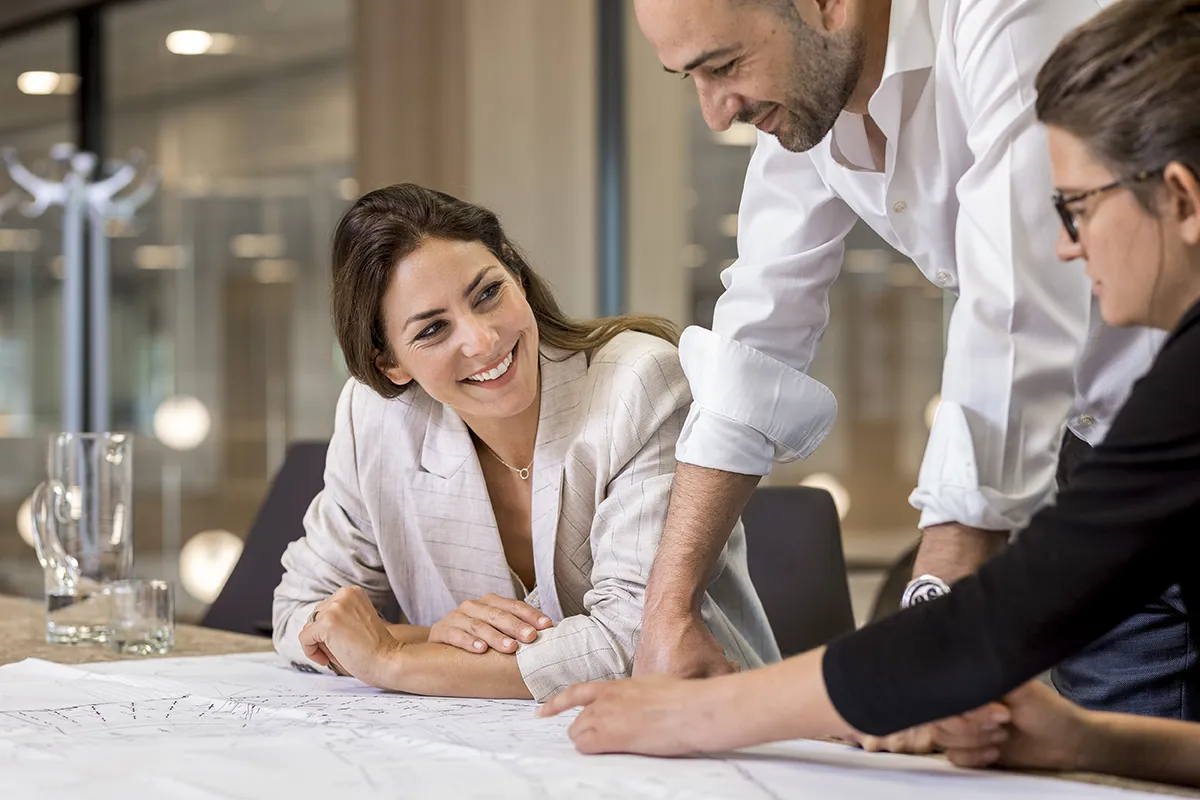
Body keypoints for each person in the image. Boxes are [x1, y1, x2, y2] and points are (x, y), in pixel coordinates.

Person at [540, 0, 1200, 786]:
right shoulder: (808, 96)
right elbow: (759, 328)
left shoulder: (1006, 19)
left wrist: (696, 716)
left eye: (722, 66)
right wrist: (668, 613)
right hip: (1115, 462)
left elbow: (1014, 308)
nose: (716, 111)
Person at [272, 183, 778, 700]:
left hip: (708, 731)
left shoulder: (641, 383)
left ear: (514, 271)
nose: (482, 339)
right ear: (390, 364)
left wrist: (394, 660)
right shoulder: (376, 416)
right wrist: (432, 639)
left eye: (488, 293)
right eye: (432, 330)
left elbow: (638, 643)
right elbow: (300, 609)